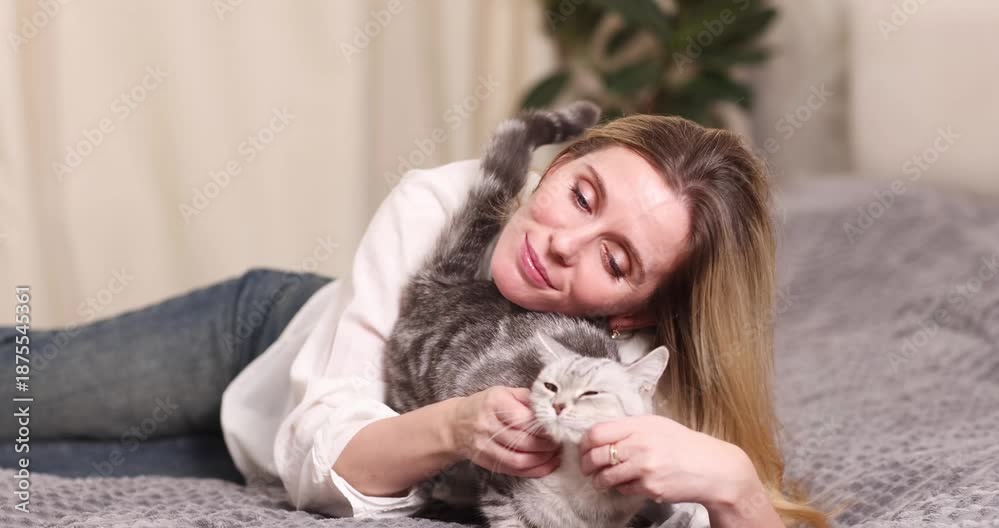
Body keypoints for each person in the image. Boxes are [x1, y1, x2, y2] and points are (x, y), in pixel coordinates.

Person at [1, 114, 831, 528]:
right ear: (560, 163)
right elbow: (321, 434)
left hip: (249, 457)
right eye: (581, 195)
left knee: (26, 464)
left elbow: (680, 512)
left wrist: (735, 487)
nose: (561, 243)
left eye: (614, 262)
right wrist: (458, 427)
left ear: (636, 311)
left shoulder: (629, 378)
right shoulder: (443, 201)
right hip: (259, 335)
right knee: (19, 392)